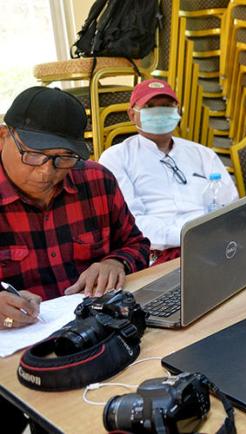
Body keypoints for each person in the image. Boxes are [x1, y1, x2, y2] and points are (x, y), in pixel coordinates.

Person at [0, 86, 150, 433]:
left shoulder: (96, 181)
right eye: (34, 155)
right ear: (4, 135)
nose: (46, 172)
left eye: (63, 158)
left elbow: (137, 245)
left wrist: (117, 262)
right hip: (14, 362)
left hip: (95, 342)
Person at [99, 79, 238, 264]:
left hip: (213, 245)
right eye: (150, 106)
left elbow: (230, 204)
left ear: (177, 111)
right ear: (132, 115)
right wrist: (187, 235)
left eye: (166, 106)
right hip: (156, 256)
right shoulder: (116, 158)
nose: (159, 112)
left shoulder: (202, 154)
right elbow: (132, 223)